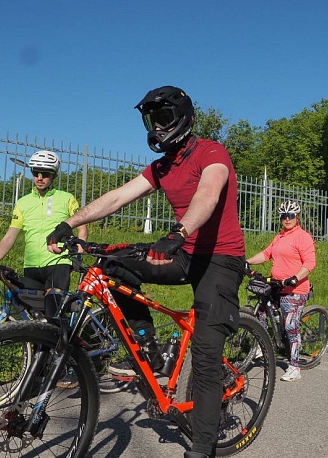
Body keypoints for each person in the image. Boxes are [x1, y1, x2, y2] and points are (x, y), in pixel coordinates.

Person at [45, 86, 245, 458]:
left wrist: (179, 232)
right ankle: (149, 350)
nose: (158, 126)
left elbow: (209, 193)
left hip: (220, 258)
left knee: (205, 354)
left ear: (183, 118)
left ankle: (203, 447)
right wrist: (70, 223)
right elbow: (119, 196)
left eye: (164, 118)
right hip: (184, 253)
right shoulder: (161, 167)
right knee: (111, 267)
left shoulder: (212, 152)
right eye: (153, 120)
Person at [0, 150, 88, 323]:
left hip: (58, 263)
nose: (40, 178)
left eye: (46, 174)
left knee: (53, 315)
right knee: (34, 320)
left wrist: (79, 254)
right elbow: (9, 237)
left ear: (55, 175)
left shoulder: (66, 199)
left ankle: (61, 347)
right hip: (32, 266)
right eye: (35, 173)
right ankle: (39, 349)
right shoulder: (23, 203)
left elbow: (82, 228)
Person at [246, 200, 316, 381]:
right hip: (277, 285)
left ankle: (294, 367)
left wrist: (295, 277)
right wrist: (246, 262)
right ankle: (262, 347)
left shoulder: (303, 237)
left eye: (291, 216)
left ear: (297, 217)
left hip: (295, 289)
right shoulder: (279, 237)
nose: (287, 219)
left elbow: (309, 263)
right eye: (284, 216)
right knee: (261, 311)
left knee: (291, 326)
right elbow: (266, 254)